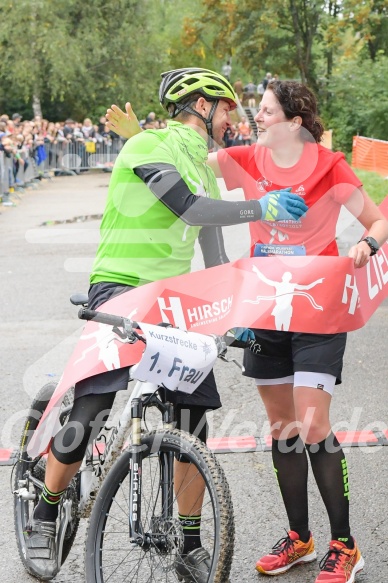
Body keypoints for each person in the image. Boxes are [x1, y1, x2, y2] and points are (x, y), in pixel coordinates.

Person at [24, 69, 307, 582]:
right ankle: (46, 510)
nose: (231, 118)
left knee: (193, 418)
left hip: (174, 300)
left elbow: (212, 248)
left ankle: (191, 543)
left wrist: (231, 312)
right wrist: (258, 207)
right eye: (225, 107)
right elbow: (188, 207)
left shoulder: (201, 164)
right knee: (93, 406)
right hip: (122, 287)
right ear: (201, 104)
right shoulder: (145, 146)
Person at [109, 78, 388, 583]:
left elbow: (376, 216)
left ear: (294, 123)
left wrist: (367, 243)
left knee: (313, 423)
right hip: (265, 312)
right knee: (283, 428)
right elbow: (183, 160)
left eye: (265, 110)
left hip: (318, 308)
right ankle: (299, 538)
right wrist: (138, 137)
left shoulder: (329, 167)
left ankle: (345, 545)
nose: (255, 117)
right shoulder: (245, 159)